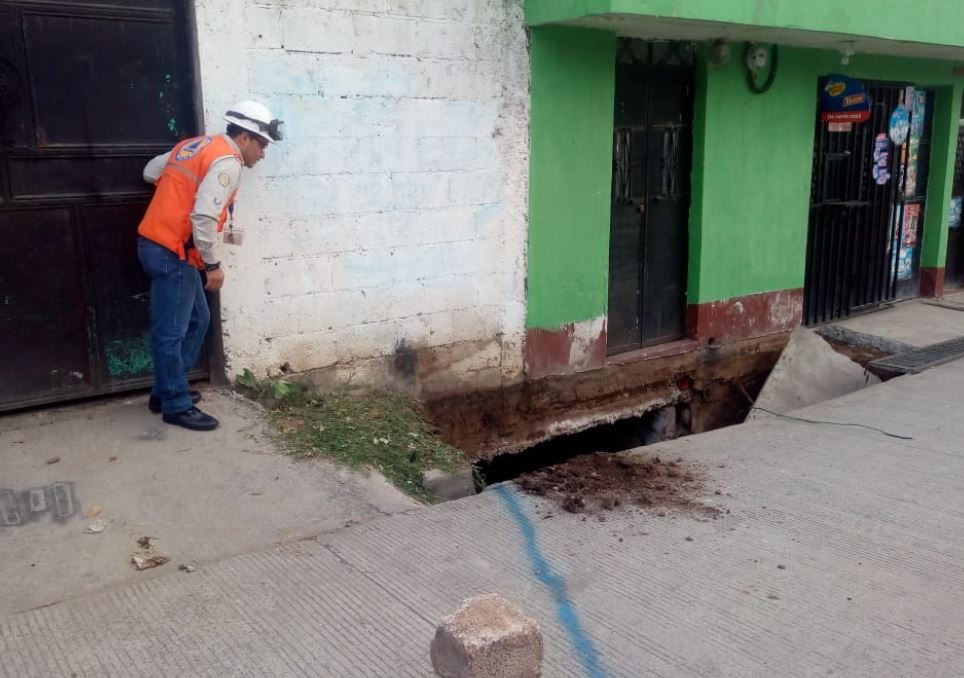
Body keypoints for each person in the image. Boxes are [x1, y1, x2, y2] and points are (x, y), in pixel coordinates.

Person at [137, 101, 283, 431]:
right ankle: (176, 404)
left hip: (165, 246)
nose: (263, 154)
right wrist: (212, 264)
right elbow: (203, 216)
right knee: (171, 332)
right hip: (171, 250)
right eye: (261, 145)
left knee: (197, 320)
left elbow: (150, 172)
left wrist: (178, 192)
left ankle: (166, 390)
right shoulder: (228, 161)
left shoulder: (195, 145)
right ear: (244, 138)